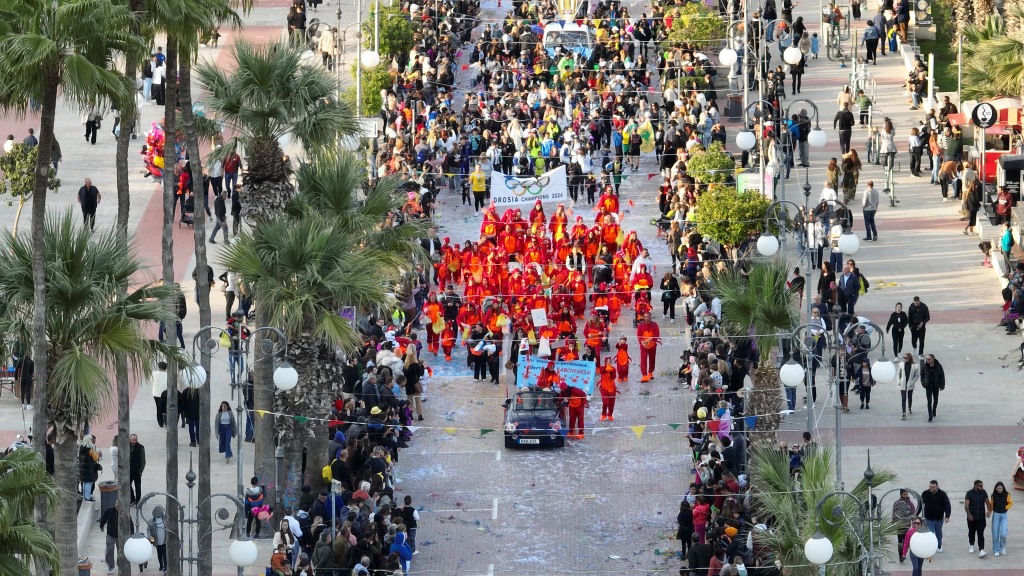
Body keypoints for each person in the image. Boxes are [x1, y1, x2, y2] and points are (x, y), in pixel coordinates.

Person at [921, 480, 951, 552]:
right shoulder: (925, 493)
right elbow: (920, 505)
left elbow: (947, 506)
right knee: (930, 533)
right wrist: (916, 514)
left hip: (939, 519)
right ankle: (931, 547)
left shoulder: (942, 494)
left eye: (933, 487)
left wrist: (947, 516)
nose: (931, 488)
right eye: (930, 487)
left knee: (938, 533)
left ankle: (939, 545)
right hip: (928, 518)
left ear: (937, 486)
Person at [99, 500, 129, 573]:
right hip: (110, 535)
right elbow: (104, 518)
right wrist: (101, 526)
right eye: (116, 505)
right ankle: (111, 566)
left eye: (118, 506)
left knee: (121, 551)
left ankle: (120, 563)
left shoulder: (124, 512)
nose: (117, 507)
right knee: (109, 550)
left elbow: (129, 522)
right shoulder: (109, 511)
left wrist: (131, 534)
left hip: (121, 536)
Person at [965, 479, 992, 557]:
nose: (982, 487)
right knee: (971, 531)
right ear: (975, 486)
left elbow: (987, 502)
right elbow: (966, 506)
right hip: (972, 517)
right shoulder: (969, 493)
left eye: (982, 486)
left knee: (980, 533)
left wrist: (989, 511)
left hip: (981, 517)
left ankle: (981, 550)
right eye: (980, 486)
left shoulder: (984, 492)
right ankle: (971, 545)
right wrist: (969, 514)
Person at [892, 489, 917, 562]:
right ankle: (901, 555)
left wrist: (914, 524)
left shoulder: (910, 504)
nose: (906, 496)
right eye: (904, 494)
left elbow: (913, 514)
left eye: (907, 494)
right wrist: (893, 523)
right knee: (900, 542)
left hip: (907, 526)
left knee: (906, 541)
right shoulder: (896, 503)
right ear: (901, 494)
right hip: (899, 526)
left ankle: (904, 554)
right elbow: (894, 514)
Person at [636, 312, 661, 382]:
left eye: (648, 316)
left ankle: (650, 373)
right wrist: (642, 343)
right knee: (643, 360)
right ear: (643, 317)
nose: (646, 318)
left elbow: (657, 335)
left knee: (652, 359)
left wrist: (649, 339)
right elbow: (639, 335)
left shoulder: (654, 325)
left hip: (652, 345)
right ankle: (644, 375)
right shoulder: (640, 325)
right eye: (645, 316)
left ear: (650, 317)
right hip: (643, 346)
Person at [989, 481, 1012, 556]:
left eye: (1001, 488)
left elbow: (1010, 503)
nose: (999, 489)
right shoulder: (993, 495)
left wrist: (1006, 507)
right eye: (998, 488)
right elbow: (991, 505)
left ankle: (1003, 547)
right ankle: (996, 549)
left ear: (1003, 488)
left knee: (1004, 533)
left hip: (1004, 515)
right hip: (996, 515)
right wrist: (989, 512)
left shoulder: (1007, 494)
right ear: (995, 488)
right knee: (995, 533)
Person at [920, 354, 945, 422]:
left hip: (935, 385)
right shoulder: (925, 366)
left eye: (929, 359)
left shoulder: (938, 366)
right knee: (929, 401)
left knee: (935, 399)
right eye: (926, 359)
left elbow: (942, 376)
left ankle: (934, 410)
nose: (927, 360)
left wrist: (942, 385)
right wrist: (923, 383)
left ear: (933, 359)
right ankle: (930, 416)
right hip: (928, 386)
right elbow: (922, 375)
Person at [897, 352, 918, 420]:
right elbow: (898, 374)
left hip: (910, 384)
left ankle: (909, 407)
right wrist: (899, 381)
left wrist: (912, 382)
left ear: (909, 358)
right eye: (904, 357)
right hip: (903, 384)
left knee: (910, 397)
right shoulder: (901, 364)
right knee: (903, 398)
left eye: (906, 358)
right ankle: (904, 413)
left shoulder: (915, 366)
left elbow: (917, 376)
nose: (904, 359)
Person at [129, 433, 146, 504]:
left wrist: (140, 471)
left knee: (137, 486)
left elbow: (143, 460)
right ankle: (132, 498)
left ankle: (138, 500)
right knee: (127, 485)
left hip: (137, 470)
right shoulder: (127, 446)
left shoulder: (141, 447)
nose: (133, 441)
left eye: (135, 440)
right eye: (132, 440)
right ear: (130, 439)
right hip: (129, 470)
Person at [151, 361, 168, 427]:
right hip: (165, 393)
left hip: (156, 393)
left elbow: (151, 381)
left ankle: (160, 422)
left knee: (158, 407)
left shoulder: (154, 373)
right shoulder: (168, 375)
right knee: (166, 407)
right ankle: (166, 421)